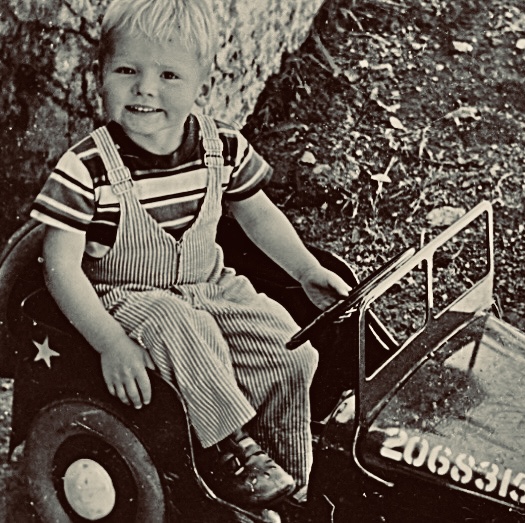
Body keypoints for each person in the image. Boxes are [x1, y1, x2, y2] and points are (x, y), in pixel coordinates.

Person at [29, 0, 351, 510]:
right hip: (125, 298)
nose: (145, 89)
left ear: (203, 80)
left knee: (291, 350)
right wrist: (110, 342)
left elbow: (257, 215)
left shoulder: (220, 146)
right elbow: (61, 267)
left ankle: (290, 474)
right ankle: (230, 452)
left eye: (169, 75)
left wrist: (306, 269)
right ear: (100, 74)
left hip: (209, 286)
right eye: (126, 70)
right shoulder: (86, 168)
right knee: (180, 324)